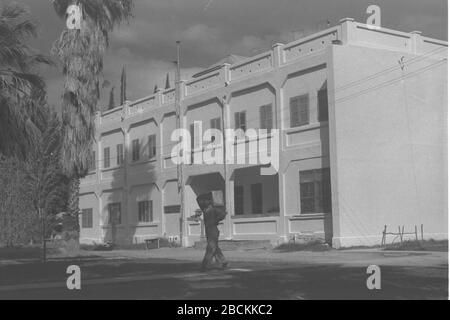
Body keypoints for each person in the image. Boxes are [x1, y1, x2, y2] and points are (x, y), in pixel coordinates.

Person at [196, 192, 228, 271]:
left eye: (206, 201)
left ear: (210, 201)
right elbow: (198, 199)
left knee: (211, 248)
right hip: (209, 230)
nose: (203, 202)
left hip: (213, 230)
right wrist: (210, 194)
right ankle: (223, 261)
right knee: (215, 247)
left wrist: (215, 221)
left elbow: (223, 214)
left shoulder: (213, 209)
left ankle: (205, 264)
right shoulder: (205, 209)